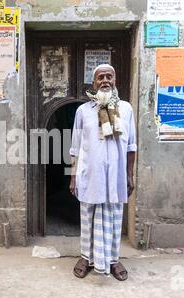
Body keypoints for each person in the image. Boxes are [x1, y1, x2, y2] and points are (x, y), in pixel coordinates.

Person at [69, 64, 137, 281]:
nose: (105, 80)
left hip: (115, 176)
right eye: (101, 77)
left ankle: (113, 259)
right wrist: (73, 177)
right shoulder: (83, 111)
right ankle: (85, 257)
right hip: (90, 174)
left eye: (109, 76)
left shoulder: (126, 109)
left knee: (115, 217)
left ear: (115, 80)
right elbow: (75, 146)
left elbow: (131, 146)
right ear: (94, 83)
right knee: (88, 215)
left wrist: (129, 174)